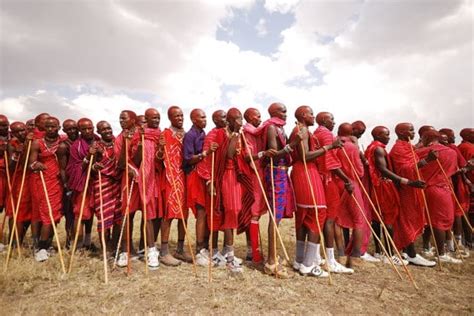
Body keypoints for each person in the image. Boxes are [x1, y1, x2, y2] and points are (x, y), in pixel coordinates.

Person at [365, 126, 425, 266]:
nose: (389, 137)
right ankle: (389, 254)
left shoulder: (372, 147)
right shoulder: (379, 149)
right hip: (383, 187)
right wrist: (407, 181)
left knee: (378, 220)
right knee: (388, 220)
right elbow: (383, 170)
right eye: (386, 134)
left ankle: (380, 252)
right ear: (378, 135)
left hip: (378, 186)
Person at [290, 106, 337, 277]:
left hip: (301, 172)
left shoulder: (301, 130)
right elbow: (304, 155)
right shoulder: (301, 130)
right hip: (306, 172)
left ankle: (300, 259)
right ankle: (308, 264)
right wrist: (329, 147)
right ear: (303, 116)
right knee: (318, 213)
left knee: (304, 216)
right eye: (311, 113)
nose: (313, 116)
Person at [389, 123, 436, 267]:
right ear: (402, 132)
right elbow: (403, 169)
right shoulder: (398, 148)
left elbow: (412, 163)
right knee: (407, 220)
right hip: (406, 189)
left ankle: (406, 251)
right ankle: (411, 254)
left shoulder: (408, 147)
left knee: (410, 218)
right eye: (411, 130)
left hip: (414, 187)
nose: (413, 132)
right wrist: (426, 160)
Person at [261, 102, 300, 277]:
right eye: (283, 111)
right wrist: (293, 144)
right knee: (274, 216)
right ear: (274, 112)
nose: (286, 114)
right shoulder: (271, 128)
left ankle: (273, 255)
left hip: (282, 173)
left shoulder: (279, 128)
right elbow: (273, 153)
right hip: (275, 173)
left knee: (277, 215)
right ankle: (270, 263)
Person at [313, 112, 354, 273]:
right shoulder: (327, 134)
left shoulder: (317, 133)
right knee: (329, 220)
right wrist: (346, 180)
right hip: (327, 180)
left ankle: (317, 256)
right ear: (324, 120)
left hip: (318, 178)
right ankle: (330, 260)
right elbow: (331, 163)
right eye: (331, 119)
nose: (334, 122)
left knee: (321, 219)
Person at [416, 130, 463, 263]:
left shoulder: (420, 152)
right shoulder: (451, 152)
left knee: (429, 220)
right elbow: (453, 171)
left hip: (425, 188)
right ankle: (441, 253)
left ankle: (426, 247)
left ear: (427, 138)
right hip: (442, 189)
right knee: (440, 222)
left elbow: (413, 167)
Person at [183, 109, 217, 266]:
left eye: (205, 117)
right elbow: (188, 159)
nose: (205, 119)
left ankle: (205, 248)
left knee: (207, 210)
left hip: (204, 176)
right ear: (193, 119)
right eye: (201, 117)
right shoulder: (190, 136)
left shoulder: (203, 133)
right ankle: (199, 251)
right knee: (201, 211)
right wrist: (206, 153)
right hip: (195, 176)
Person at [158, 106, 192, 265]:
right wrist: (160, 147)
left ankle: (179, 249)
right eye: (176, 116)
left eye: (181, 115)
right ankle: (164, 252)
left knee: (183, 215)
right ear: (170, 118)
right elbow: (158, 158)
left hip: (184, 178)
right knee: (169, 214)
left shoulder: (186, 135)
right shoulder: (164, 134)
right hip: (170, 178)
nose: (180, 118)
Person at [29, 117, 65, 262]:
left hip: (55, 182)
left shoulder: (62, 146)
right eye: (48, 126)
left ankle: (46, 245)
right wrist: (36, 165)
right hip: (41, 180)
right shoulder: (37, 143)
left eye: (54, 126)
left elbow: (63, 169)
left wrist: (66, 185)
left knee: (52, 214)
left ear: (59, 127)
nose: (51, 129)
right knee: (43, 214)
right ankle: (40, 247)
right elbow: (30, 163)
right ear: (44, 127)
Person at [335, 123, 366, 268]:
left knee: (336, 220)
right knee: (359, 220)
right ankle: (355, 256)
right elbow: (360, 172)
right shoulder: (353, 147)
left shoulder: (334, 144)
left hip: (336, 183)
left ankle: (341, 255)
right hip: (351, 183)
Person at [65, 118, 98, 251]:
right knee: (80, 214)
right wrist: (88, 157)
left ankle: (87, 241)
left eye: (89, 127)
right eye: (83, 129)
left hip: (96, 182)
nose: (87, 131)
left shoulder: (98, 141)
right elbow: (73, 168)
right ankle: (77, 247)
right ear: (80, 130)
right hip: (82, 183)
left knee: (90, 214)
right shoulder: (76, 146)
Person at [439, 128, 471, 256]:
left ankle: (455, 244)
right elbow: (463, 167)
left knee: (453, 213)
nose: (453, 139)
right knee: (455, 213)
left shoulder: (451, 149)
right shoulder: (451, 149)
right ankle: (458, 243)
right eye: (450, 137)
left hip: (452, 184)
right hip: (451, 185)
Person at [92, 121, 122, 252]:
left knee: (118, 216)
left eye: (108, 128)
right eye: (103, 130)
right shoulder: (96, 146)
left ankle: (114, 246)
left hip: (117, 183)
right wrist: (95, 164)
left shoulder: (118, 143)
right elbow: (90, 167)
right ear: (98, 132)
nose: (107, 131)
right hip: (102, 183)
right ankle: (105, 249)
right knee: (104, 217)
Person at [6, 122, 31, 245]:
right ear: (13, 133)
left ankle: (21, 238)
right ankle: (14, 241)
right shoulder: (12, 144)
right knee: (18, 210)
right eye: (17, 131)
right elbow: (11, 167)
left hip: (32, 177)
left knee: (30, 211)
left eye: (22, 130)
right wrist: (16, 154)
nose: (21, 133)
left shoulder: (31, 140)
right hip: (19, 178)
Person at [59, 119, 79, 247]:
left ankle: (85, 240)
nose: (72, 131)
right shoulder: (64, 146)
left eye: (74, 128)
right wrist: (66, 185)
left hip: (84, 180)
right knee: (70, 213)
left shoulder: (83, 141)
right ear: (64, 130)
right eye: (68, 129)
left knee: (84, 213)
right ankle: (69, 241)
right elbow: (62, 168)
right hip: (70, 183)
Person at [458, 128, 474, 249]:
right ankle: (469, 240)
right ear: (467, 135)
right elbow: (463, 166)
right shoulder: (467, 148)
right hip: (469, 183)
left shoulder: (461, 147)